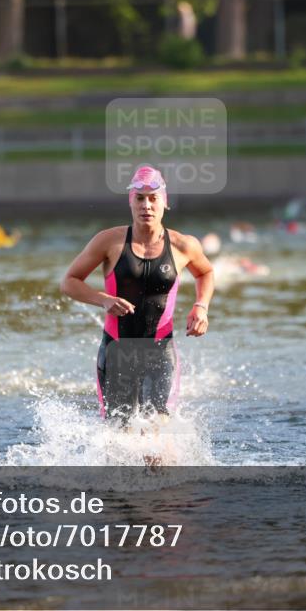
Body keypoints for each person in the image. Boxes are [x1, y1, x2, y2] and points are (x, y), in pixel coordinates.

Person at [60, 165, 214, 426]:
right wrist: (104, 299)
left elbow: (205, 272)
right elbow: (69, 282)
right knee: (119, 435)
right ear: (130, 203)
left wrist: (201, 306)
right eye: (140, 199)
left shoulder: (183, 245)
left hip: (161, 351)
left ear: (165, 203)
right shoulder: (109, 241)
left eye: (153, 199)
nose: (147, 206)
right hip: (116, 351)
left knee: (158, 430)